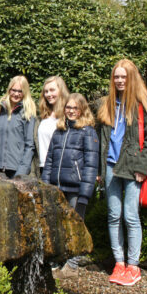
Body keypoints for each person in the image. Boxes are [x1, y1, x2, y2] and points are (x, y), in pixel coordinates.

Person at [97, 59, 147, 286]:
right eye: (116, 77)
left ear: (132, 78)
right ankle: (119, 263)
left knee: (130, 216)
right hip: (111, 166)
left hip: (132, 168)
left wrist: (143, 168)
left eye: (124, 77)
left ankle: (133, 266)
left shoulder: (143, 105)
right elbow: (102, 141)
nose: (120, 80)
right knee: (114, 215)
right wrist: (100, 170)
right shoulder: (108, 104)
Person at [41, 93, 99, 279]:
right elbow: (50, 159)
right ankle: (58, 261)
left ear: (82, 110)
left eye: (75, 108)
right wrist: (45, 184)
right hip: (57, 186)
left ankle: (72, 264)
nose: (71, 111)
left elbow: (91, 164)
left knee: (75, 224)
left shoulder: (87, 132)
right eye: (68, 108)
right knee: (58, 225)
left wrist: (85, 193)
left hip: (76, 187)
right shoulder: (60, 130)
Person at [0, 75, 36, 178]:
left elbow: (29, 146)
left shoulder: (28, 113)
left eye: (20, 91)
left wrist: (21, 172)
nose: (16, 94)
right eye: (14, 90)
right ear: (9, 89)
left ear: (25, 92)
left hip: (16, 170)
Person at [37, 76, 69, 174]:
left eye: (52, 90)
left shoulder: (67, 115)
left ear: (61, 91)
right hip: (42, 167)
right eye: (46, 91)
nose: (48, 94)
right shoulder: (42, 116)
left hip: (60, 167)